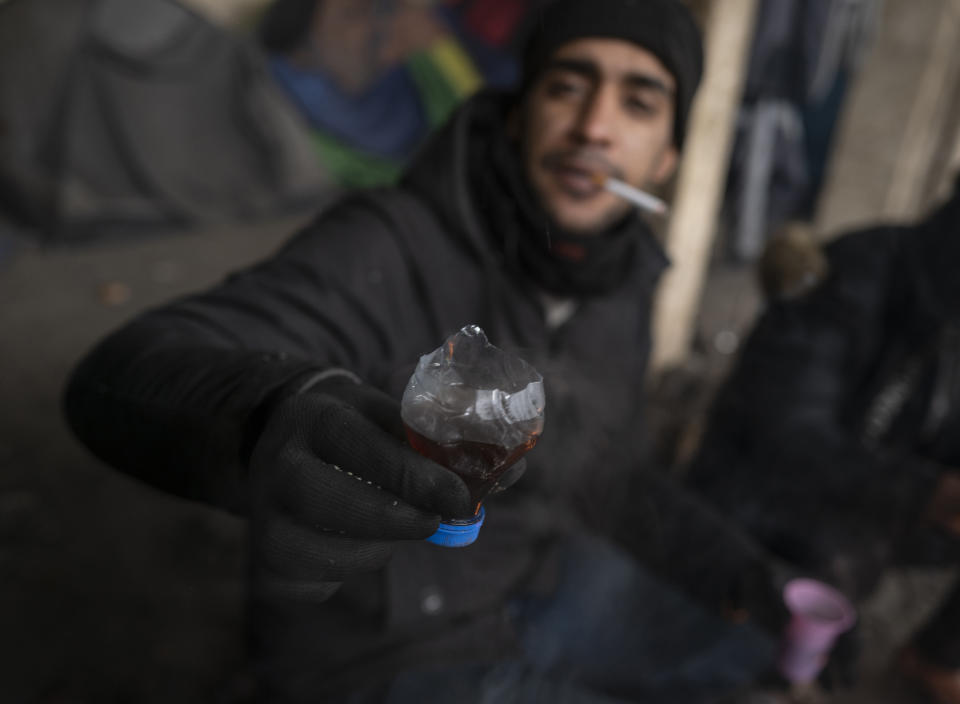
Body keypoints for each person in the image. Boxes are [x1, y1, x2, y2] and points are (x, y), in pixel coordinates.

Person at [65, 1, 793, 701]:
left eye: (638, 104)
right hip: (389, 644)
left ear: (665, 161)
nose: (594, 128)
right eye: (567, 87)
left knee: (756, 645)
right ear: (517, 115)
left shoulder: (626, 284)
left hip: (536, 585)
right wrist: (271, 415)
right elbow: (119, 375)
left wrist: (728, 563)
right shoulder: (393, 241)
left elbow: (611, 474)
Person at [688, 179, 960, 702]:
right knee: (830, 566)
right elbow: (785, 434)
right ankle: (759, 666)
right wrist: (930, 492)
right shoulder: (856, 271)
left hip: (874, 496)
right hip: (758, 490)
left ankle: (935, 657)